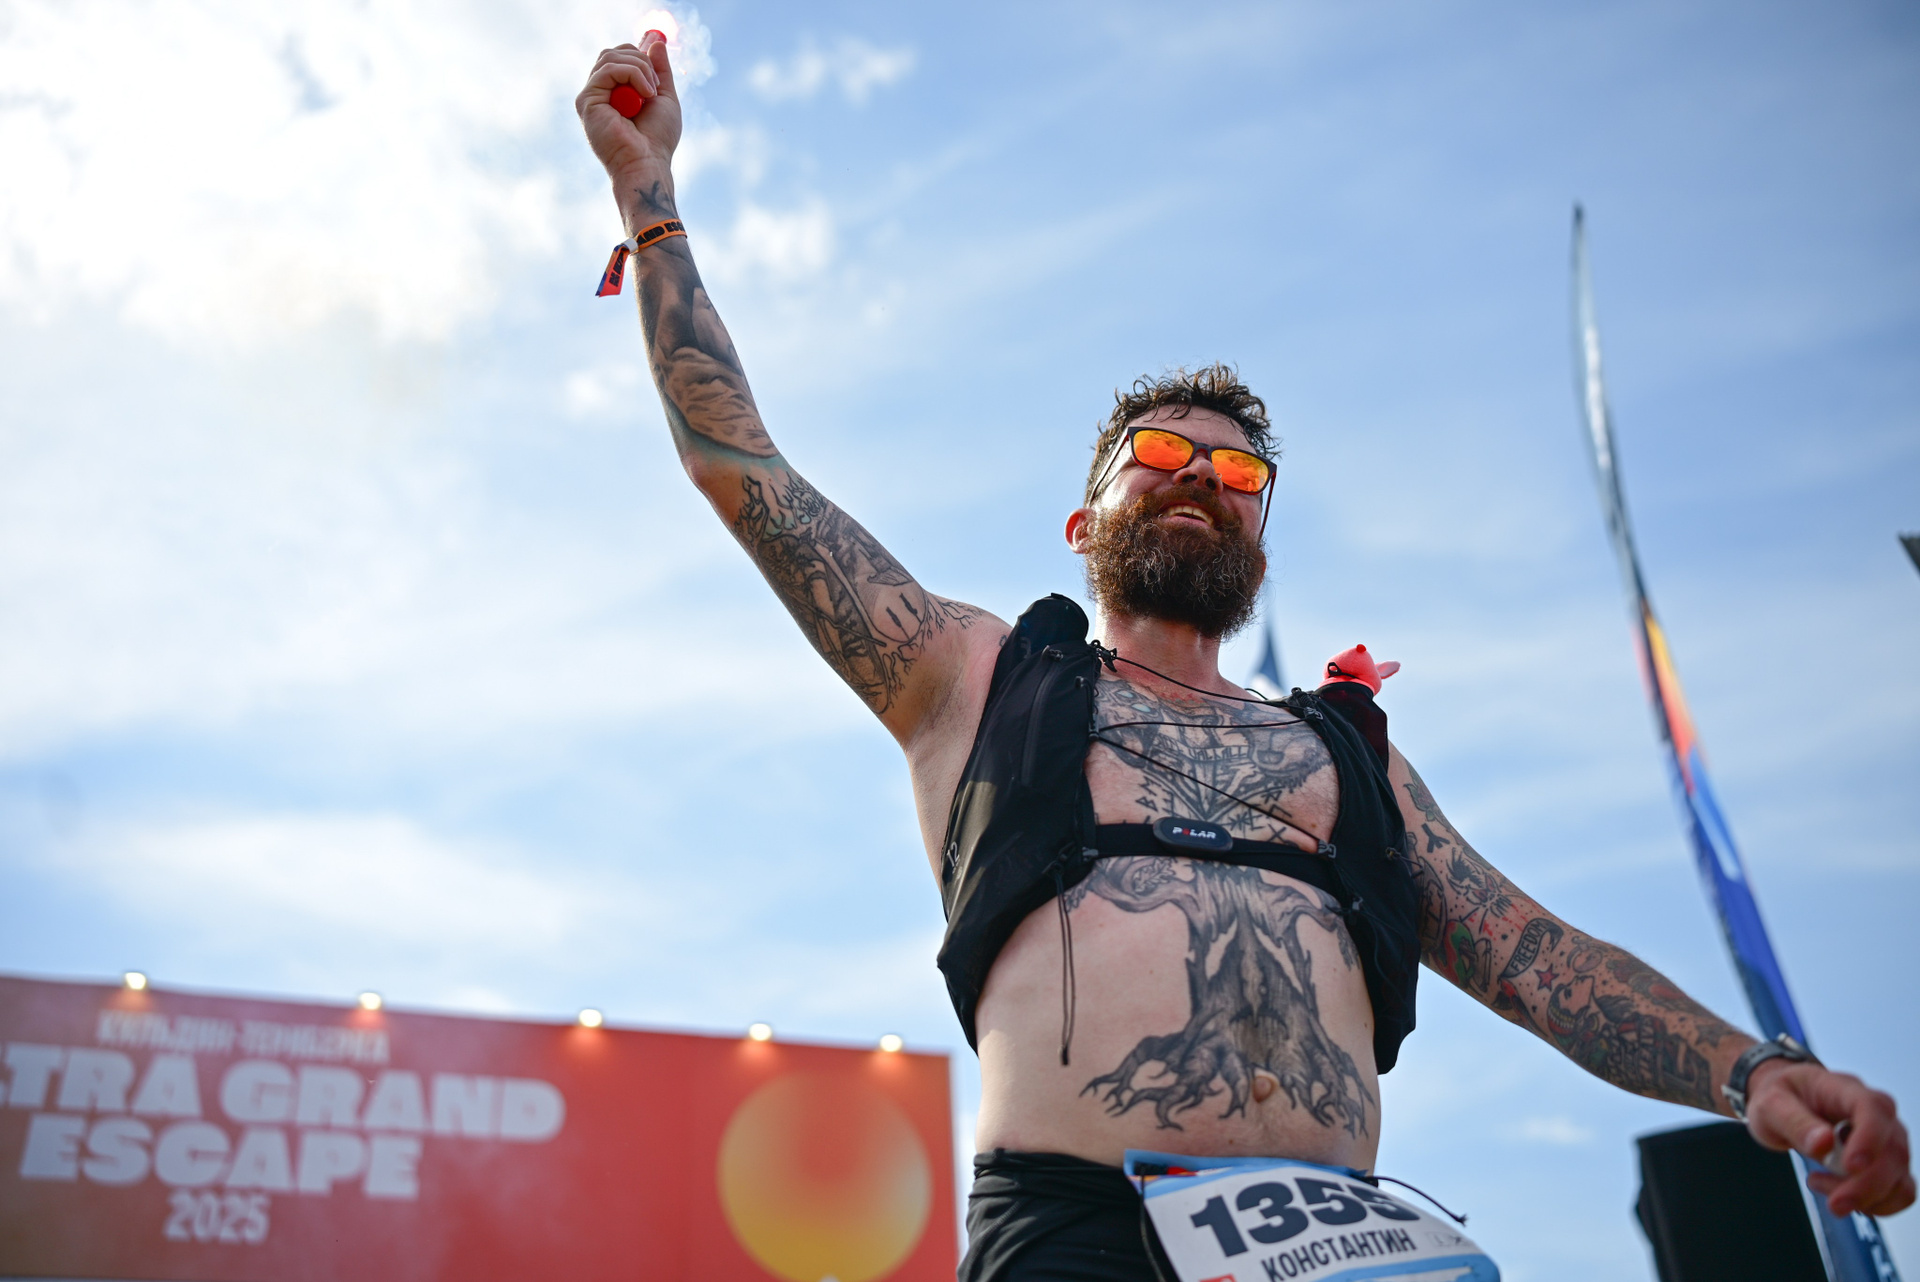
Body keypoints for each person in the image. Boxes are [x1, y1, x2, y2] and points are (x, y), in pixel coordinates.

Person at [576, 36, 1913, 1281]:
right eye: (1159, 455)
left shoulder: (1343, 755)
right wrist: (651, 197)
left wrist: (1752, 1071)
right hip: (1081, 1230)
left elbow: (1534, 957)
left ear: (1263, 528)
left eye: (1236, 473)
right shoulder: (978, 677)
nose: (1199, 479)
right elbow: (740, 464)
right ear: (1082, 521)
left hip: (1345, 1242)